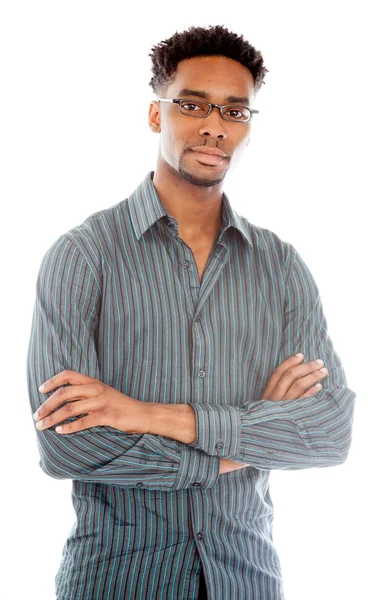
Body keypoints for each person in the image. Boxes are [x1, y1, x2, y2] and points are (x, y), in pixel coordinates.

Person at [26, 24, 356, 600]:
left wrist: (145, 415)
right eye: (192, 104)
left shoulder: (280, 266)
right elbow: (66, 446)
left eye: (235, 112)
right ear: (156, 116)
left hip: (247, 579)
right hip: (118, 581)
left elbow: (330, 430)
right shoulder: (83, 256)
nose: (214, 126)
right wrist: (247, 439)